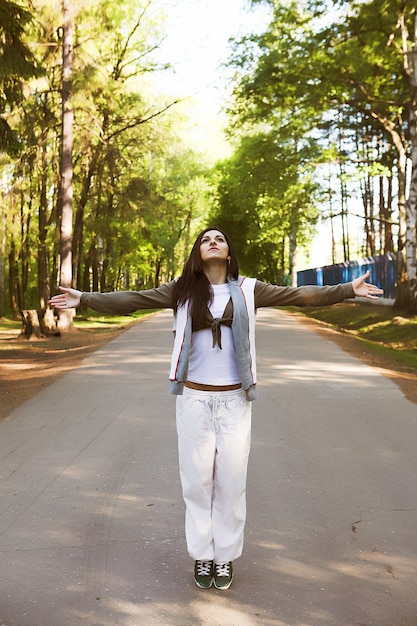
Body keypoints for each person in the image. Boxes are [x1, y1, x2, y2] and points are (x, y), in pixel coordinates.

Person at [49, 227, 384, 590]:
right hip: (194, 399)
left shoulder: (248, 289)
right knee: (196, 483)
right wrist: (84, 297)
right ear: (197, 252)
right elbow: (133, 299)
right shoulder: (181, 290)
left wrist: (347, 289)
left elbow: (300, 294)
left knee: (230, 482)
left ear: (228, 253)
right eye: (206, 239)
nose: (213, 242)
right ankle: (202, 556)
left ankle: (224, 558)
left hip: (234, 402)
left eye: (220, 239)